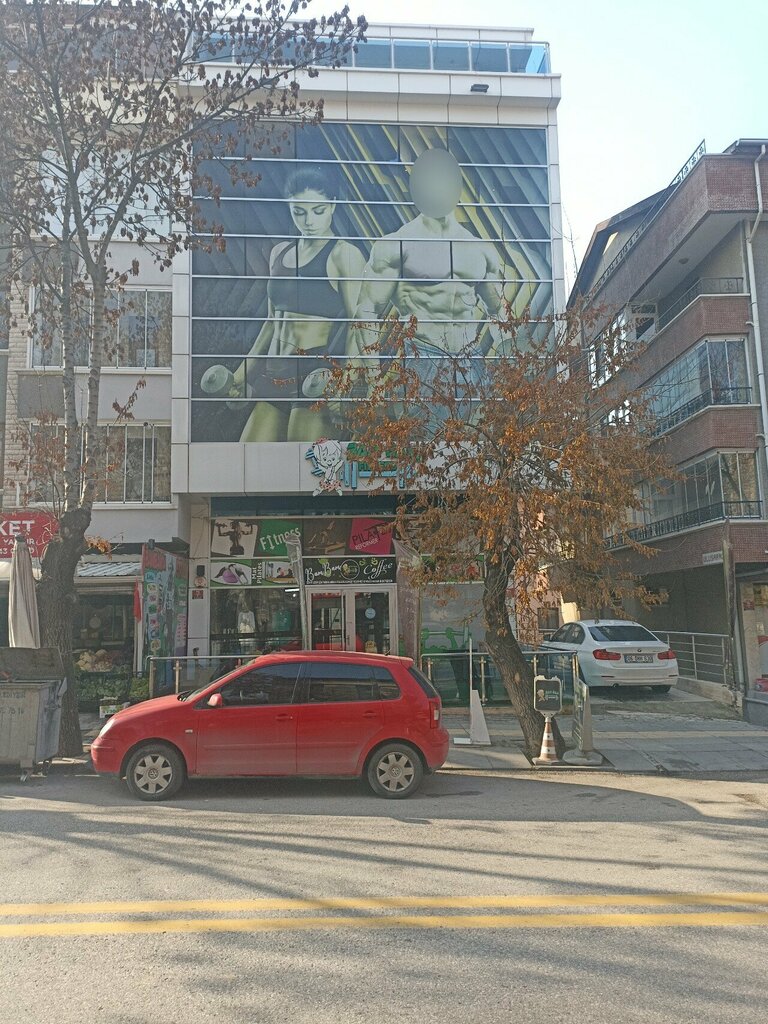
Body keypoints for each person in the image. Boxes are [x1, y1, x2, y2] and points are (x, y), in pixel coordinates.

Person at [201, 168, 365, 442]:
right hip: (274, 373)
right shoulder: (280, 252)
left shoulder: (344, 255)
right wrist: (241, 374)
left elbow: (359, 325)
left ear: (333, 205)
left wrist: (347, 383)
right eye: (299, 212)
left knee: (303, 464)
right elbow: (271, 323)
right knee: (249, 460)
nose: (308, 221)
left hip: (314, 374)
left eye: (318, 211)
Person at [350, 148, 514, 410]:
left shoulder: (480, 249)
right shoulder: (396, 246)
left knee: (478, 437)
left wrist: (510, 368)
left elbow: (499, 311)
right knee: (424, 436)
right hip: (423, 360)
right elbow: (367, 311)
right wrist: (374, 379)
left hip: (472, 362)